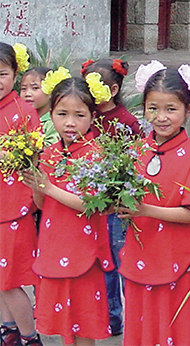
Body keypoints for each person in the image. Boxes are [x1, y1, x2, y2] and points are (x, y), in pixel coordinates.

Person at [117, 61, 190, 346]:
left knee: (175, 326)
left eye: (171, 109)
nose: (161, 117)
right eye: (153, 108)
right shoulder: (135, 150)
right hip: (139, 252)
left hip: (176, 256)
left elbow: (189, 215)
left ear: (189, 109)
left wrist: (144, 210)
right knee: (142, 325)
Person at [23, 72, 114, 346]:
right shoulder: (49, 153)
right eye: (62, 114)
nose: (70, 123)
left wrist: (48, 188)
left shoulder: (97, 153)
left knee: (83, 318)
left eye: (79, 115)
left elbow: (92, 206)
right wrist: (38, 187)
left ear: (93, 116)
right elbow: (42, 206)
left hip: (84, 248)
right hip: (54, 245)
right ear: (51, 114)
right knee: (64, 320)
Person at [80, 58, 142, 336]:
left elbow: (140, 158)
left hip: (118, 205)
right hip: (94, 203)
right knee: (102, 262)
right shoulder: (84, 116)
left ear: (113, 89)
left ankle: (137, 317)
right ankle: (111, 318)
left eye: (96, 88)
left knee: (122, 260)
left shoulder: (125, 121)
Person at [0, 43, 42, 346]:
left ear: (15, 74)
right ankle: (9, 330)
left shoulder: (23, 113)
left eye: (2, 73)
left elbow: (35, 163)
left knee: (11, 282)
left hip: (13, 209)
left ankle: (29, 337)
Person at [20, 66, 57, 147]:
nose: (28, 94)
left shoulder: (54, 122)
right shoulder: (20, 119)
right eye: (23, 89)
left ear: (50, 90)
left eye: (35, 88)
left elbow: (53, 148)